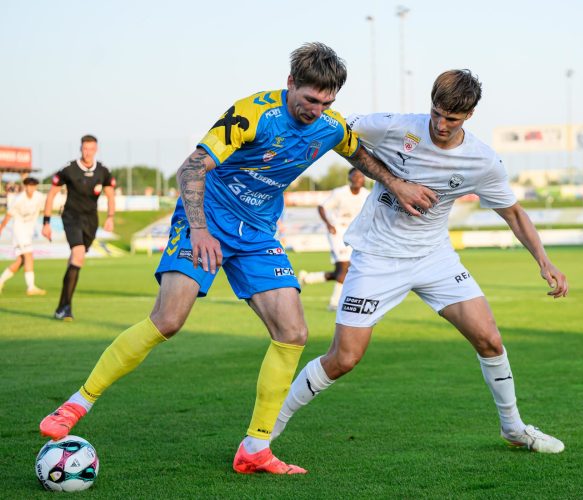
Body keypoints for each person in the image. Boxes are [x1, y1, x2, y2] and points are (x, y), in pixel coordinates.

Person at [38, 43, 437, 476]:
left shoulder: (330, 125)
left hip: (257, 233)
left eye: (326, 103)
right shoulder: (253, 114)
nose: (316, 110)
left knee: (293, 332)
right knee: (169, 319)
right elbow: (191, 169)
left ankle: (255, 448)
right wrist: (199, 230)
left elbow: (358, 154)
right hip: (205, 217)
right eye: (309, 99)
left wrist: (396, 184)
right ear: (290, 83)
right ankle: (75, 404)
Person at [271, 70, 569, 462]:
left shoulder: (481, 161)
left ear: (470, 115)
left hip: (434, 257)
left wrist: (544, 261)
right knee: (343, 358)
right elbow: (336, 129)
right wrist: (393, 180)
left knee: (489, 339)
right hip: (377, 256)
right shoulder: (395, 127)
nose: (441, 125)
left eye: (452, 119)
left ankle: (513, 428)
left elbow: (513, 212)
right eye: (437, 113)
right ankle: (267, 428)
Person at [42, 135, 116, 321]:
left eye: (91, 149)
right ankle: (66, 307)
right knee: (78, 255)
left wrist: (110, 217)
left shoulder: (103, 171)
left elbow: (110, 194)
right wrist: (46, 222)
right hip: (71, 217)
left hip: (91, 220)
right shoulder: (69, 169)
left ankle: (60, 307)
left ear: (96, 150)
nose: (88, 152)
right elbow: (51, 194)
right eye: (85, 149)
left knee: (75, 261)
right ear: (80, 149)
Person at [298, 167, 370, 310]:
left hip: (355, 234)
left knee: (342, 272)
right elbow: (321, 207)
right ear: (349, 178)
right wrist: (329, 224)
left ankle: (308, 278)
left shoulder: (367, 195)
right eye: (355, 176)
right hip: (338, 232)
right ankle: (334, 303)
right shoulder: (340, 193)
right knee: (344, 268)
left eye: (361, 176)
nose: (358, 179)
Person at [0, 177, 47, 295]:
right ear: (25, 186)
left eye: (33, 186)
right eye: (29, 186)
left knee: (21, 261)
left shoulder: (39, 197)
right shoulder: (19, 199)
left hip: (28, 231)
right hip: (19, 231)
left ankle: (0, 281)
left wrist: (46, 224)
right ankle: (31, 287)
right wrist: (1, 229)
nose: (31, 188)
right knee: (29, 256)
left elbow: (47, 207)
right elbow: (8, 215)